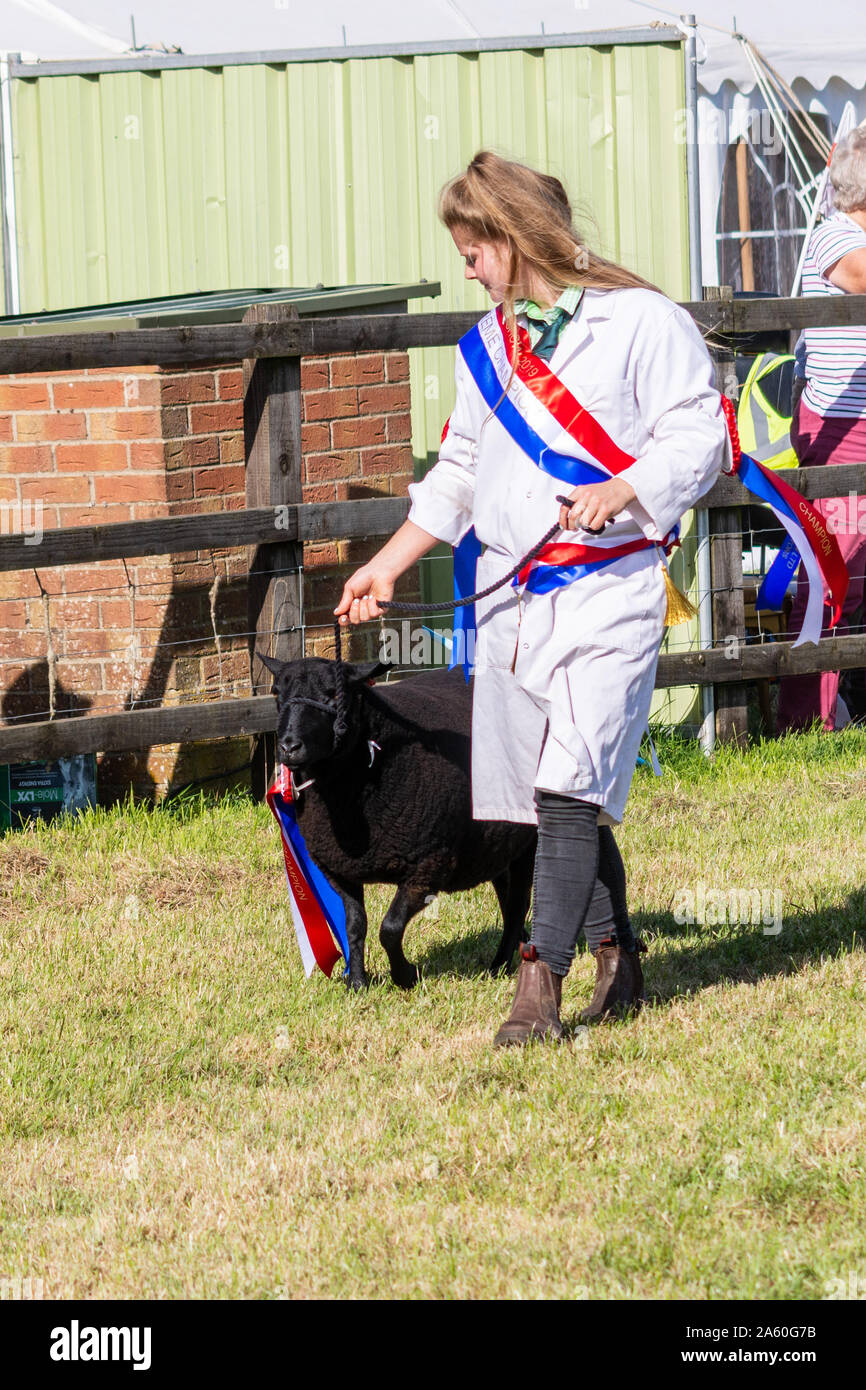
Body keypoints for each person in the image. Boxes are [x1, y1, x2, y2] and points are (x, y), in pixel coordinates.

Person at [334, 151, 729, 1045]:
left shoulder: (641, 323)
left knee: (565, 787)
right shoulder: (488, 347)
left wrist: (625, 489)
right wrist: (390, 563)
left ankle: (535, 991)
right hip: (510, 606)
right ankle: (619, 958)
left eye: (474, 249)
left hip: (609, 594)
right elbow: (461, 471)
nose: (467, 268)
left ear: (515, 237)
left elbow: (698, 432)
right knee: (556, 794)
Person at [777, 128, 866, 733]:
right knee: (836, 578)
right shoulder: (836, 234)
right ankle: (806, 725)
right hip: (840, 427)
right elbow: (861, 277)